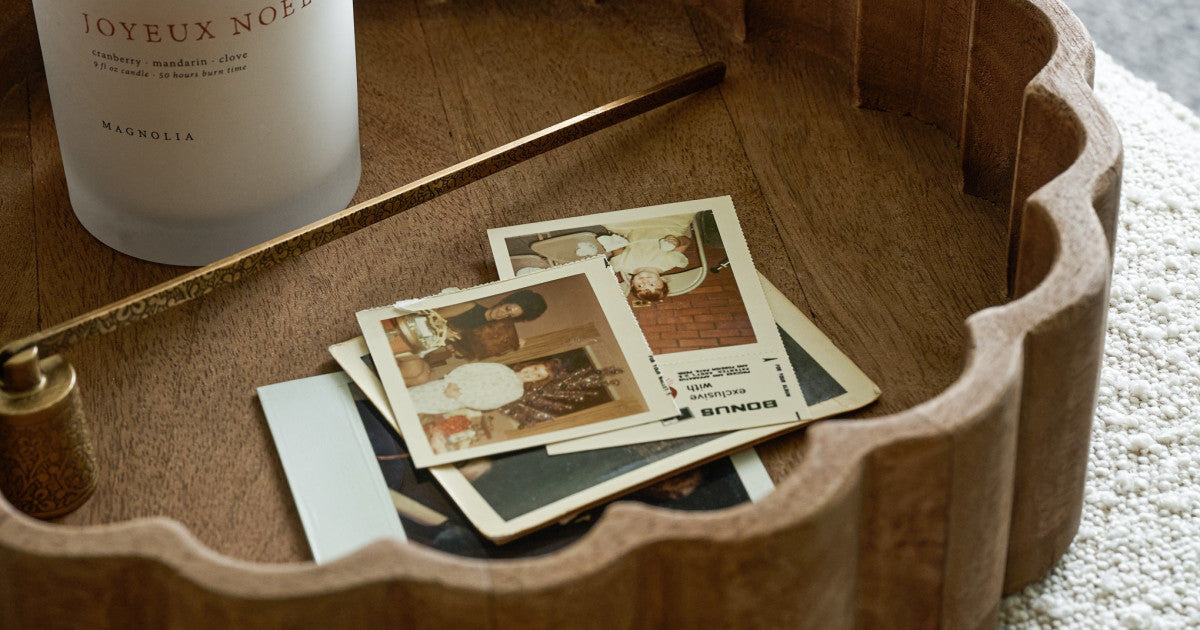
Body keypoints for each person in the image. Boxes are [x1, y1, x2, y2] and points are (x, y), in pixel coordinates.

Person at [407, 359, 563, 416]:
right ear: (531, 364)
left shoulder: (516, 392)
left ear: (536, 381)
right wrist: (452, 381)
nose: (532, 373)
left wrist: (459, 396)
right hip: (444, 386)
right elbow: (470, 368)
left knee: (413, 408)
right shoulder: (502, 369)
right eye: (535, 368)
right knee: (408, 395)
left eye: (538, 376)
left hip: (453, 401)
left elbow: (488, 403)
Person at [602, 214, 694, 302]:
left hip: (635, 227)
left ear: (632, 283)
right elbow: (687, 242)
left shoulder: (624, 265)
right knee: (683, 215)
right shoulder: (669, 263)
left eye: (640, 286)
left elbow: (616, 246)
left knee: (609, 223)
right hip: (668, 225)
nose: (645, 282)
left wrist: (617, 240)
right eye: (652, 284)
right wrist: (678, 242)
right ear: (663, 280)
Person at [436, 290, 547, 334]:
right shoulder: (470, 306)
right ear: (504, 301)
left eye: (509, 316)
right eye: (507, 309)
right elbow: (434, 315)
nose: (503, 314)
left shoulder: (488, 329)